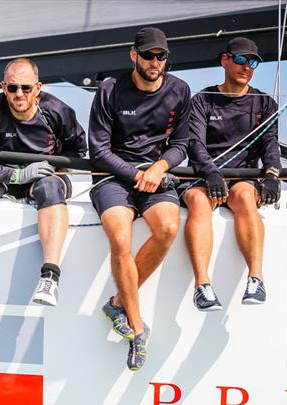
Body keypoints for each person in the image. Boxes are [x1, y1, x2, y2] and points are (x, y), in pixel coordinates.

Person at [89, 27, 191, 371]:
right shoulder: (110, 89)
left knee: (167, 228)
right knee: (120, 236)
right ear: (134, 55)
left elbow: (182, 144)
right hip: (114, 177)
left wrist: (160, 167)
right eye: (148, 55)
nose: (155, 62)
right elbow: (98, 150)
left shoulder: (179, 90)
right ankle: (137, 329)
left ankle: (117, 303)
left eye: (161, 56)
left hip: (155, 173)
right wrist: (135, 175)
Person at [0, 57, 86, 307]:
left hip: (43, 178)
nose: (19, 94)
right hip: (2, 178)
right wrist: (16, 175)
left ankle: (50, 279)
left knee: (51, 186)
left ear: (38, 88)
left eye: (26, 88)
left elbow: (78, 151)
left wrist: (52, 167)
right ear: (3, 87)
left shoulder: (58, 112)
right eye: (12, 88)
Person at [183, 37, 281, 310]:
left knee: (244, 196)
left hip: (242, 178)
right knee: (199, 201)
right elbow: (195, 144)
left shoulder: (264, 103)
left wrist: (272, 174)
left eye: (252, 63)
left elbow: (270, 143)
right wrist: (211, 173)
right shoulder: (202, 100)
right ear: (224, 60)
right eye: (240, 60)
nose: (246, 67)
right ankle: (202, 286)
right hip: (205, 177)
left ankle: (256, 279)